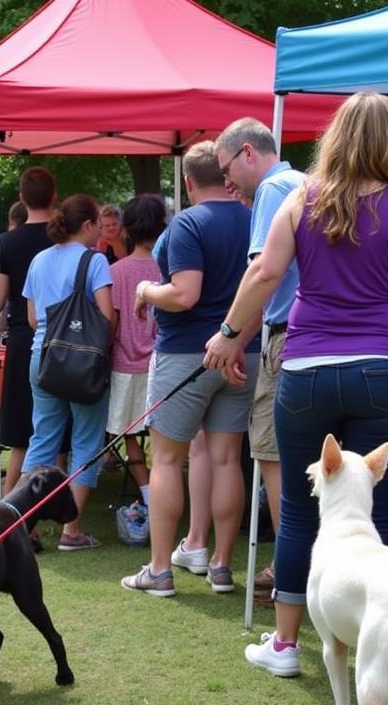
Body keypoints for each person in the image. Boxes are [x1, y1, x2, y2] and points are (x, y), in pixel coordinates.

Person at [203, 91, 388, 675]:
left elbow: (265, 273)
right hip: (384, 369)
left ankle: (285, 645)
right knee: (377, 515)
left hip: (306, 368)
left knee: (299, 508)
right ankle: (376, 641)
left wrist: (229, 333)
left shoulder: (300, 200)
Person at [121, 141, 256, 596]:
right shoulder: (257, 217)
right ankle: (220, 565)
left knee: (166, 460)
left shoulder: (188, 223)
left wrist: (144, 289)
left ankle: (160, 569)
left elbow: (183, 294)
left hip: (185, 355)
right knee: (226, 459)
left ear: (188, 181)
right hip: (242, 353)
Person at [216, 116, 306, 595]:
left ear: (248, 152)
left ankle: (289, 567)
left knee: (271, 454)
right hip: (307, 334)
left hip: (288, 339)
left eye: (227, 168)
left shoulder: (274, 189)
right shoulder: (306, 182)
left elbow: (263, 276)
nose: (226, 182)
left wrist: (229, 334)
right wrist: (242, 334)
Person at [22, 194, 114, 550]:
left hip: (42, 358)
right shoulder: (95, 261)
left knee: (42, 440)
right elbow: (105, 317)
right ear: (89, 225)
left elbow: (32, 319)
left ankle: (24, 526)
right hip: (83, 363)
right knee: (86, 444)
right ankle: (70, 532)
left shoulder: (39, 260)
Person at [0, 166, 57, 496]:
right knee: (59, 432)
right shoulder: (62, 237)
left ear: (22, 198)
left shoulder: (9, 241)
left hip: (23, 337)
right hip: (63, 339)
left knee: (23, 432)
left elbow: (1, 298)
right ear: (54, 196)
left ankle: (10, 502)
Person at [107, 194, 165, 542]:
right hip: (162, 361)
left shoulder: (117, 271)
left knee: (130, 439)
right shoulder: (169, 266)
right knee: (162, 442)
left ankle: (147, 497)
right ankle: (162, 497)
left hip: (125, 364)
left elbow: (112, 324)